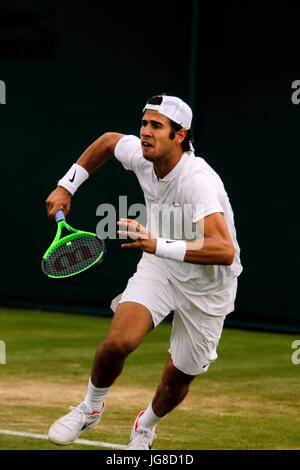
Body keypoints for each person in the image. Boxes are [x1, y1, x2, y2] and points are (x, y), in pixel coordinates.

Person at [45, 94, 242, 450]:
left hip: (208, 288)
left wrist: (158, 244)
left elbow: (224, 250)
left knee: (177, 381)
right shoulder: (142, 154)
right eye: (144, 123)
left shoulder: (198, 181)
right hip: (161, 269)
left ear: (180, 135)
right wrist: (66, 185)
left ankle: (146, 426)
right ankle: (89, 408)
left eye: (157, 126)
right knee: (117, 343)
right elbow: (107, 142)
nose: (146, 132)